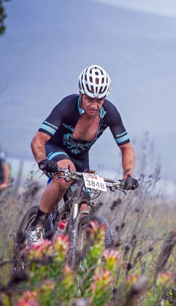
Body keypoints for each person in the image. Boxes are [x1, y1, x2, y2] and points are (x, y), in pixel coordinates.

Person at [26, 64, 139, 244]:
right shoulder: (67, 106)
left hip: (80, 158)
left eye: (99, 100)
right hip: (54, 150)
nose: (94, 105)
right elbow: (38, 139)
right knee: (64, 176)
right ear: (80, 93)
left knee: (83, 205)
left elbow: (126, 148)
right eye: (89, 99)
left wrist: (128, 175)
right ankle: (37, 226)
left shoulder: (109, 113)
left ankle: (72, 251)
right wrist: (42, 161)